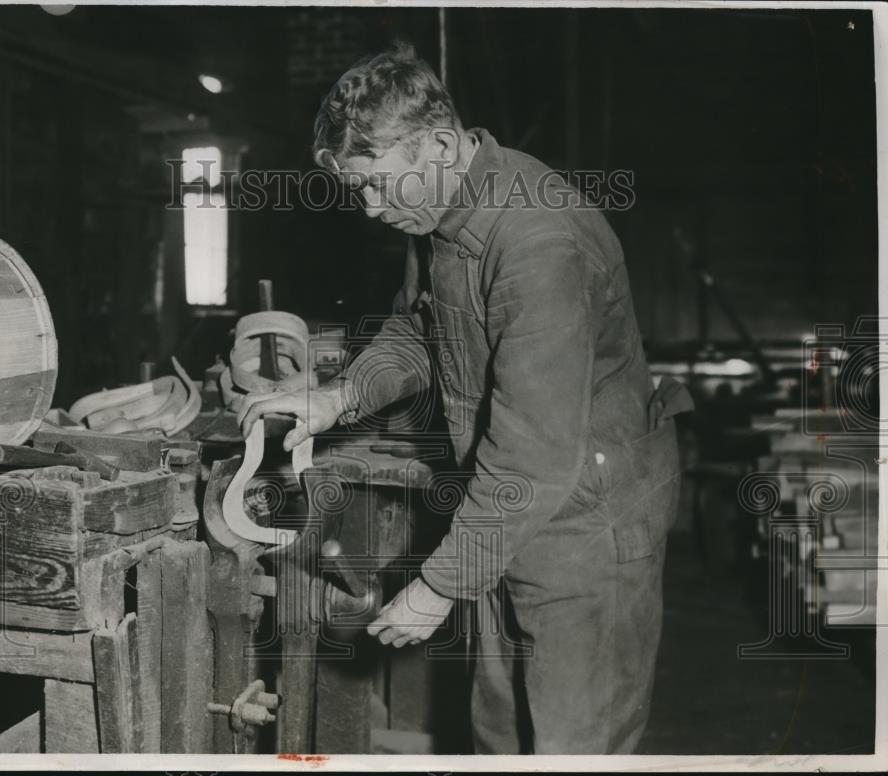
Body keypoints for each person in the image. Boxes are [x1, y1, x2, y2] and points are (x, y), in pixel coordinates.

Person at [237, 42, 693, 754]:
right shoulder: (440, 213)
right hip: (508, 516)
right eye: (359, 190)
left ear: (442, 144)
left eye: (382, 186)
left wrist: (439, 586)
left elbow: (534, 451)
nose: (372, 209)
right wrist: (338, 397)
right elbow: (417, 331)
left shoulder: (538, 242)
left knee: (574, 747)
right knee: (501, 737)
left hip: (586, 527)